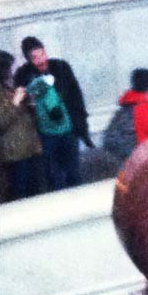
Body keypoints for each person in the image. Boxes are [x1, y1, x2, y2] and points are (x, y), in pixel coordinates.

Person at [14, 36, 92, 190]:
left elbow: (76, 97)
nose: (41, 60)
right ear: (28, 59)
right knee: (53, 176)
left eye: (42, 54)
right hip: (44, 134)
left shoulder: (61, 67)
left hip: (68, 130)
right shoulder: (23, 75)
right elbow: (21, 105)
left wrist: (81, 126)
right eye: (35, 57)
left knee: (73, 173)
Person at [0, 49, 42, 201]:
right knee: (20, 194)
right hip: (15, 154)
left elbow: (22, 116)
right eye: (7, 68)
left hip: (30, 149)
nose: (10, 72)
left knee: (36, 192)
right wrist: (15, 102)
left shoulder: (8, 88)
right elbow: (0, 122)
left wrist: (30, 103)